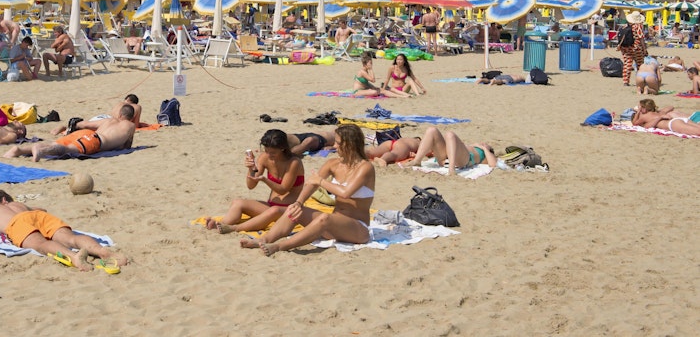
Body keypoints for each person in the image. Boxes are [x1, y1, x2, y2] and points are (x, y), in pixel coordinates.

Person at [240, 124, 374, 256]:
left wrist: (321, 181)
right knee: (293, 210)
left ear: (349, 144)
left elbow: (345, 193)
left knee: (325, 218)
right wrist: (298, 203)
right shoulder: (333, 164)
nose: (334, 146)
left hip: (357, 229)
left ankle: (281, 246)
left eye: (338, 143)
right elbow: (311, 184)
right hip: (333, 226)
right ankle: (264, 240)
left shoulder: (365, 167)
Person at [0, 190, 126, 271]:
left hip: (16, 223)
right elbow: (43, 209)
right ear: (6, 199)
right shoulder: (19, 205)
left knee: (41, 243)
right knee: (70, 238)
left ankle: (74, 257)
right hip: (37, 215)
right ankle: (103, 252)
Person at [206, 129, 306, 235]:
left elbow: (283, 190)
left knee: (274, 210)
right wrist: (250, 169)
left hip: (288, 210)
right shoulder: (264, 157)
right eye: (266, 151)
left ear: (282, 148)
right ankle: (221, 223)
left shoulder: (294, 162)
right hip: (270, 206)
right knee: (238, 203)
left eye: (273, 153)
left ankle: (234, 228)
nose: (269, 155)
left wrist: (265, 180)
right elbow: (251, 185)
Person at [3, 105, 137, 161]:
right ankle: (40, 150)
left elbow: (85, 124)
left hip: (85, 133)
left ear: (120, 113)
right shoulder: (130, 126)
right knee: (65, 149)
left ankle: (19, 150)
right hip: (96, 141)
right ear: (131, 117)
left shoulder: (109, 120)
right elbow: (126, 146)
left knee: (55, 144)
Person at [407, 126, 497, 175]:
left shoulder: (484, 153)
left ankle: (451, 168)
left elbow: (493, 164)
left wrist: (485, 149)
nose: (484, 143)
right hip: (444, 158)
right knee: (432, 130)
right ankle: (417, 161)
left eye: (487, 145)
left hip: (462, 161)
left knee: (449, 134)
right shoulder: (471, 146)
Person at [51, 94, 143, 133]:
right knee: (89, 131)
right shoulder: (137, 107)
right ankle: (65, 128)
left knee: (84, 125)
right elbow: (136, 125)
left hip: (103, 116)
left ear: (126, 99)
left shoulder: (119, 103)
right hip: (110, 121)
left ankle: (66, 128)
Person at [632, 98, 700, 135]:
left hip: (673, 124)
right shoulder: (659, 112)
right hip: (680, 120)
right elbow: (671, 107)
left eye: (640, 107)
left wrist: (638, 112)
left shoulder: (645, 116)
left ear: (644, 108)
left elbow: (635, 123)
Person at [618, 11, 647, 86]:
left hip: (625, 47)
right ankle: (640, 80)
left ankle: (625, 81)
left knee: (627, 63)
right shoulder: (638, 26)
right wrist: (644, 49)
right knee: (640, 64)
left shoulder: (625, 26)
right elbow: (641, 38)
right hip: (636, 47)